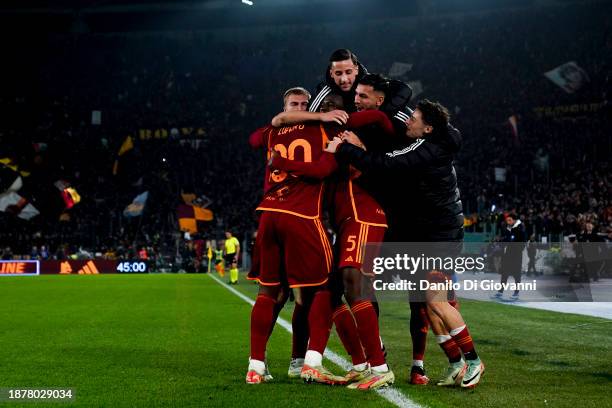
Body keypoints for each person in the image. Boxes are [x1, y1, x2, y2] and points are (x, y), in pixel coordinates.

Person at [326, 99, 485, 389]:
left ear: (427, 127)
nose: (407, 121)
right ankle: (456, 363)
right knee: (429, 303)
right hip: (432, 234)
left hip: (441, 237)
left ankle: (474, 361)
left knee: (437, 301)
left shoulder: (424, 148)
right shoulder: (437, 142)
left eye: (414, 118)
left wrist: (346, 149)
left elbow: (388, 163)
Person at [245, 87, 345, 386]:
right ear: (285, 107)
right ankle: (311, 362)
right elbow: (324, 169)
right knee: (325, 289)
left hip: (269, 215)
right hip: (302, 216)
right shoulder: (322, 128)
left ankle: (257, 366)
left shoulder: (273, 132)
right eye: (294, 105)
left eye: (304, 104)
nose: (300, 109)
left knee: (271, 293)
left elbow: (253, 138)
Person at [309, 49, 368, 114]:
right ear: (331, 73)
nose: (344, 79)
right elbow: (309, 118)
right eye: (338, 73)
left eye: (348, 72)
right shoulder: (326, 93)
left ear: (357, 70)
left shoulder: (372, 87)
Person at [492, 214, 527, 300]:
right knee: (504, 274)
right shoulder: (508, 229)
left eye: (510, 220)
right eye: (507, 220)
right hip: (507, 256)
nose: (508, 222)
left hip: (516, 256)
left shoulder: (520, 229)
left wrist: (511, 245)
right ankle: (500, 292)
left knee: (516, 275)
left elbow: (521, 244)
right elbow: (506, 240)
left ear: (514, 220)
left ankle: (516, 293)